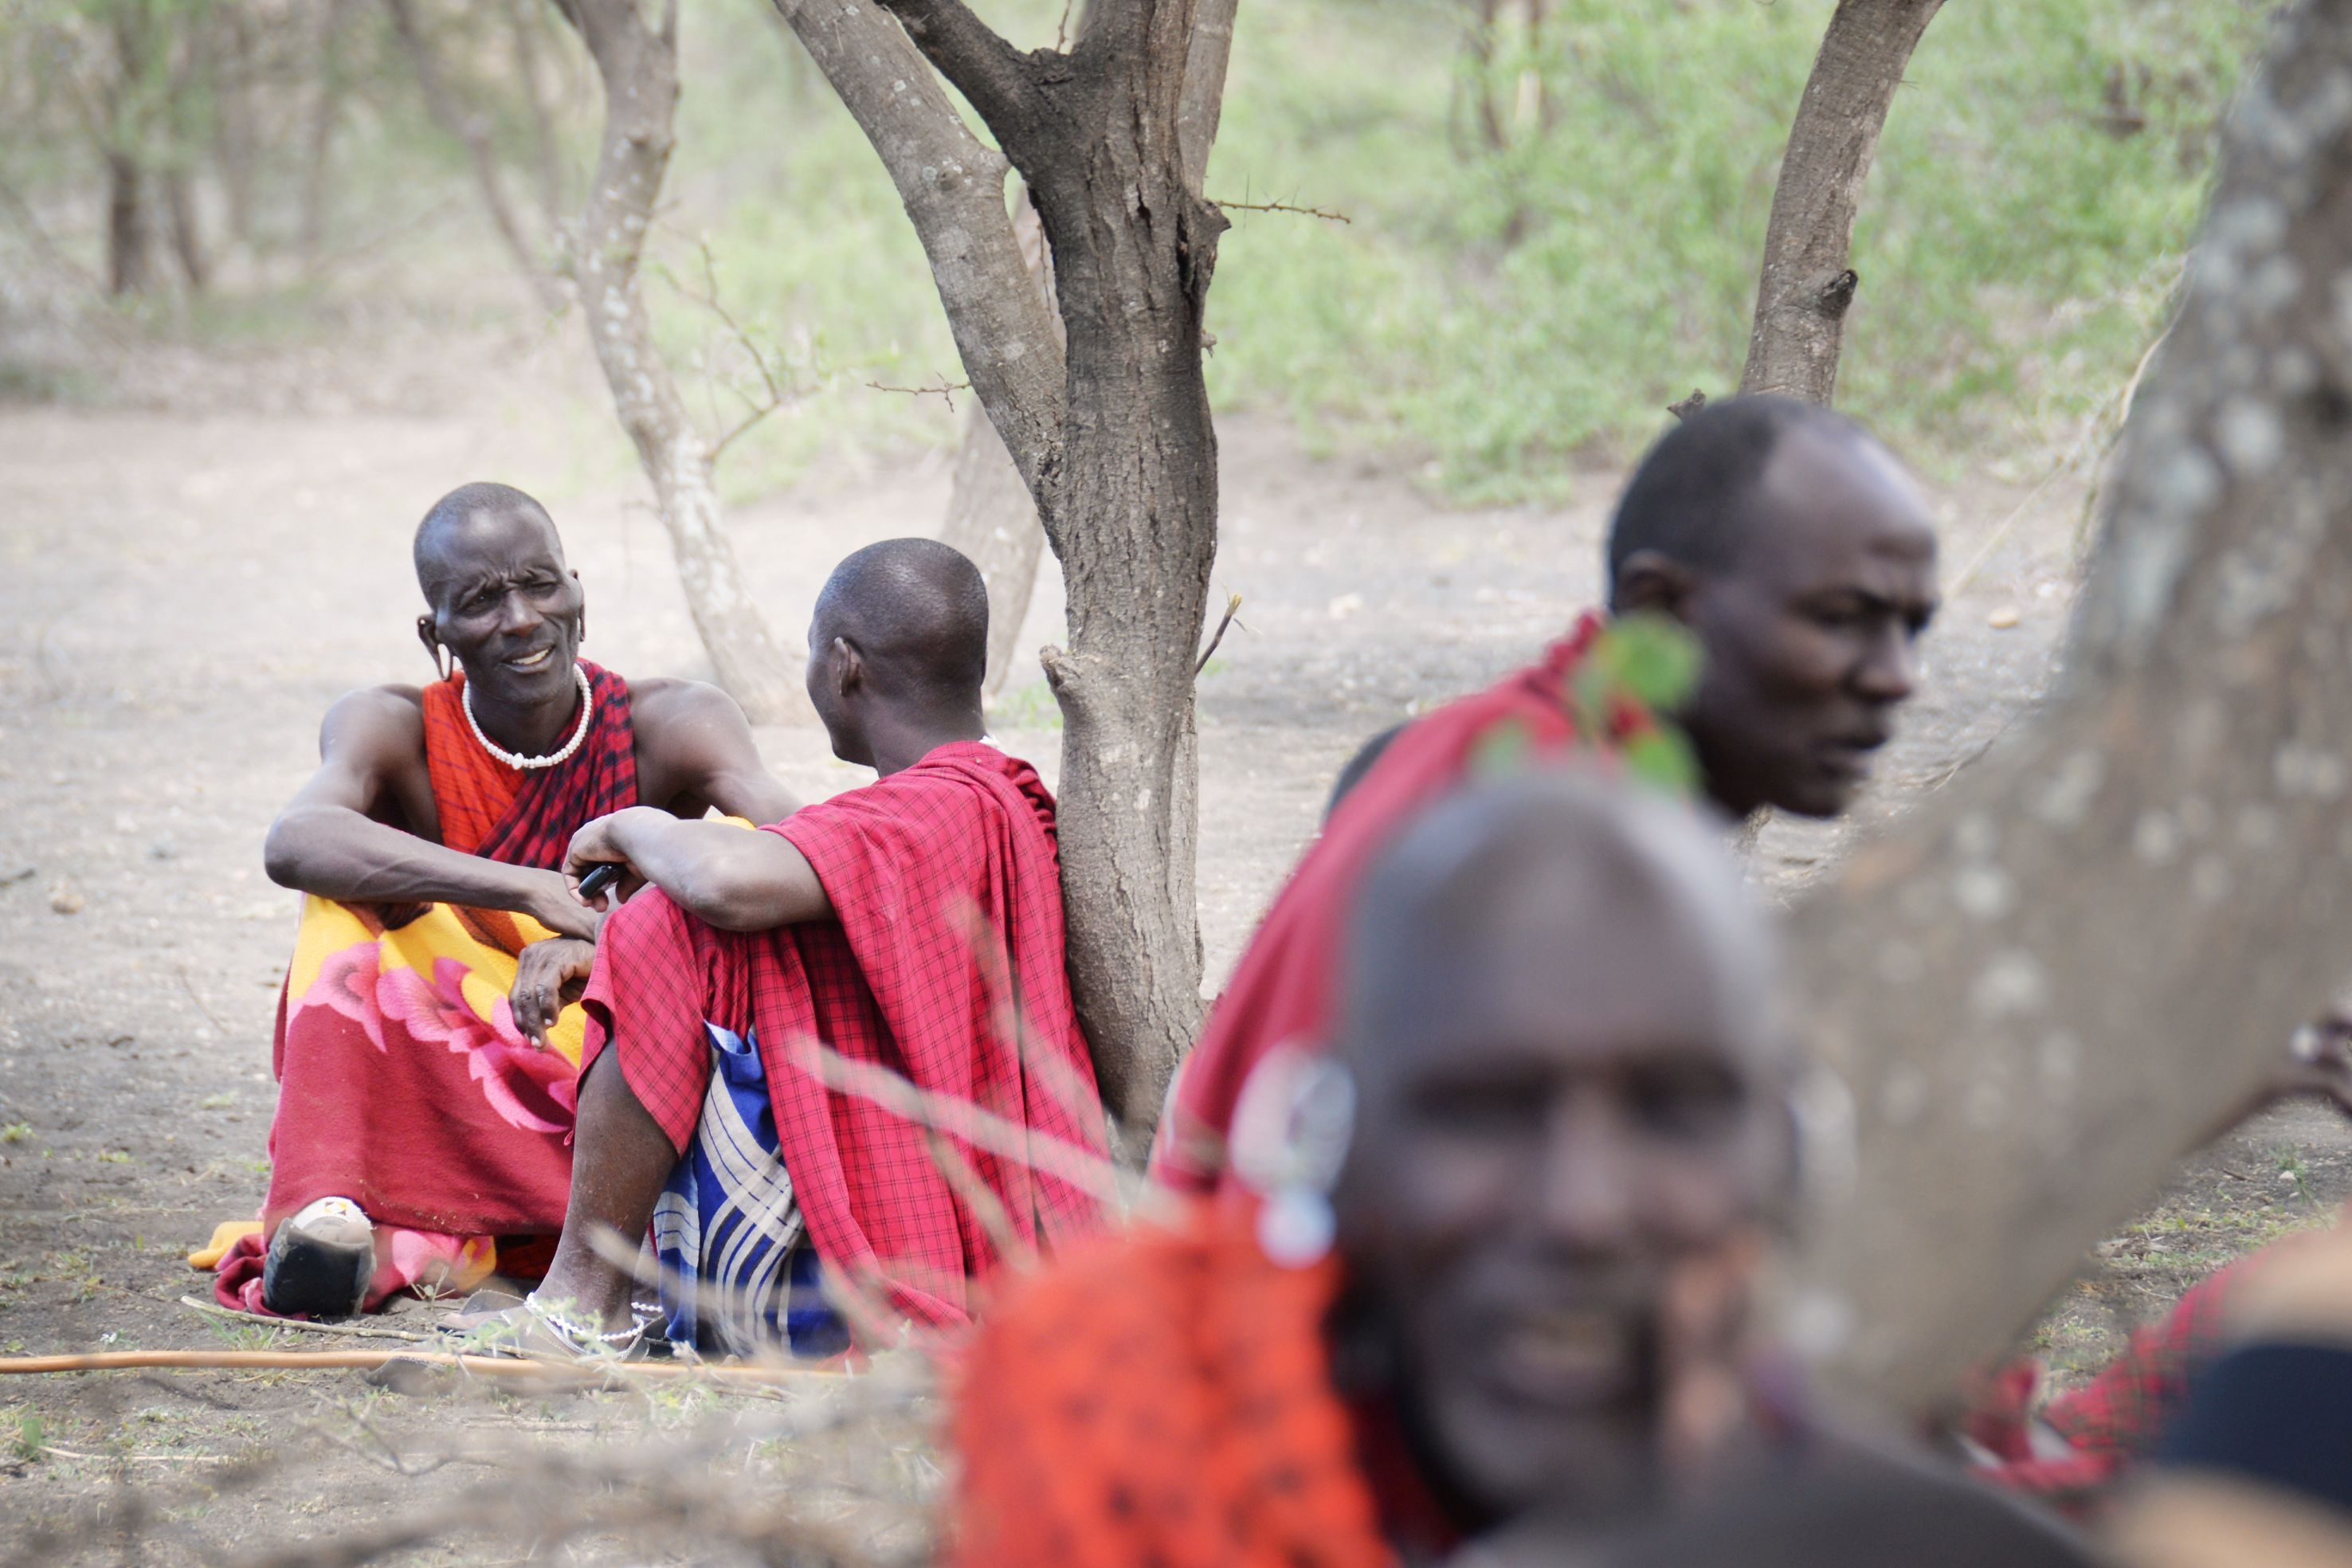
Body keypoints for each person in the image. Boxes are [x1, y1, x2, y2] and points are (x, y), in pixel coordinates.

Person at [955, 772, 2076, 1566]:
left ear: (1788, 1155)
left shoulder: (1920, 1545)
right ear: (1323, 1148)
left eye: (1673, 1111)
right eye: (1480, 1111)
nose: (1581, 1210)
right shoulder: (1120, 1428)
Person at [1151, 395, 1940, 1193]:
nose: (1897, 677)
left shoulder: (1499, 749)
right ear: (1661, 608)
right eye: (1844, 617)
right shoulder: (1555, 836)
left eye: (1914, 628)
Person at [491, 538, 1107, 1355]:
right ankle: (620, 1294)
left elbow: (723, 885)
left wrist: (629, 824)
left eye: (814, 652)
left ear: (845, 665)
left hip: (904, 1228)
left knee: (662, 929)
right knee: (661, 931)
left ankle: (582, 1303)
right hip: (959, 1194)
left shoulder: (941, 805)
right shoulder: (980, 798)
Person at [211, 481, 794, 1319]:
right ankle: (328, 1209)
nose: (521, 619)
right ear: (434, 632)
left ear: (579, 594)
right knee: (342, 908)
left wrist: (609, 946)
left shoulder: (673, 722)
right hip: (468, 1050)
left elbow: (793, 850)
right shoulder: (393, 726)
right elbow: (295, 841)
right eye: (480, 601)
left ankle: (424, 1236)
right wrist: (527, 890)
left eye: (541, 585)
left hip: (617, 1060)